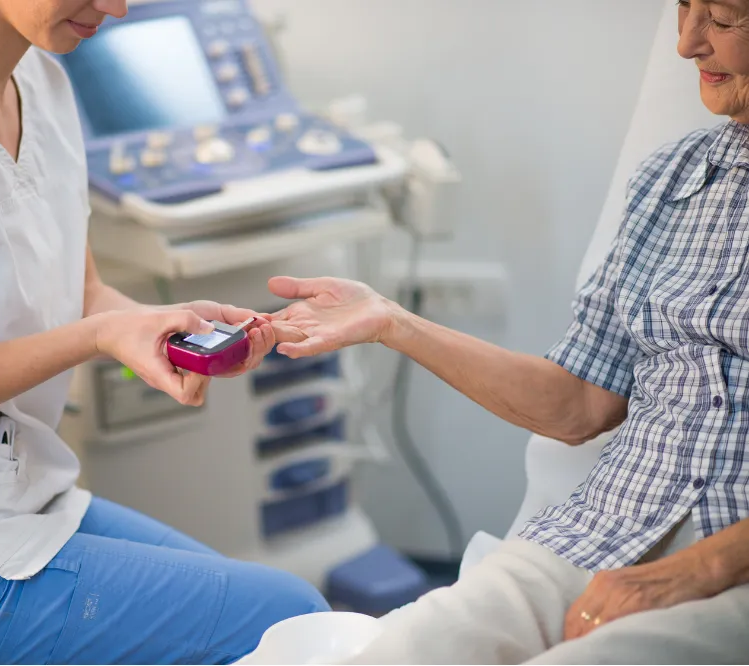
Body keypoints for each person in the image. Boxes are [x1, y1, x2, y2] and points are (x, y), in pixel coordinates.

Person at [0, 0, 328, 663]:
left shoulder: (41, 79)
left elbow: (85, 293)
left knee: (284, 618)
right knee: (290, 619)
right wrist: (99, 338)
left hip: (28, 502)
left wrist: (168, 328)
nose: (116, 7)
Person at [267, 1, 749, 662]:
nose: (687, 45)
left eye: (723, 19)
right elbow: (579, 403)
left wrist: (694, 570)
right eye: (683, 9)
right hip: (606, 530)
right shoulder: (671, 178)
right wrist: (392, 323)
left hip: (736, 563)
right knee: (403, 648)